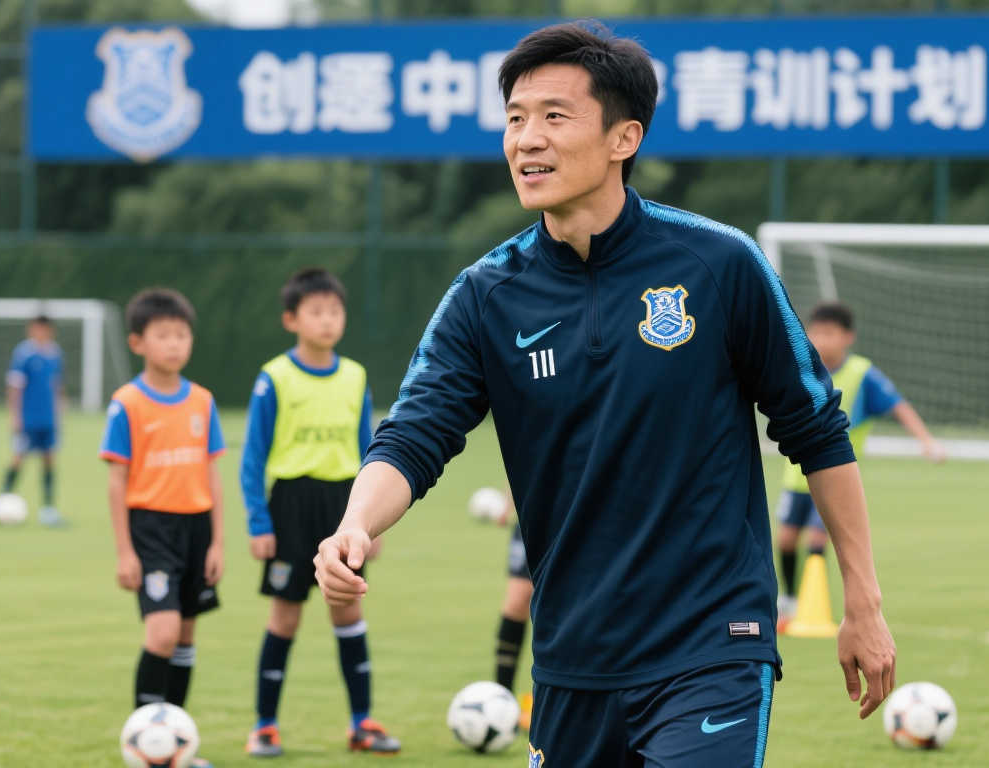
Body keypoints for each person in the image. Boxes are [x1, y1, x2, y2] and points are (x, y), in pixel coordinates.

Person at [314, 22, 896, 767]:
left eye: (555, 116)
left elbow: (816, 429)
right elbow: (414, 434)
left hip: (711, 644)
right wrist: (355, 525)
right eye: (515, 118)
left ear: (625, 137)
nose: (527, 139)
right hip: (571, 660)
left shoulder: (720, 265)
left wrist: (862, 602)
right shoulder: (485, 296)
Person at [240, 268, 399, 757]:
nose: (328, 320)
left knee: (348, 610)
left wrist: (370, 521)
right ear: (292, 319)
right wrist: (259, 522)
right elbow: (253, 458)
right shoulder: (274, 377)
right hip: (290, 504)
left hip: (342, 506)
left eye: (335, 311)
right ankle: (264, 726)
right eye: (316, 312)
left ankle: (362, 723)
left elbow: (370, 451)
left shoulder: (355, 377)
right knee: (285, 616)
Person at [99, 288, 224, 768]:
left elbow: (212, 474)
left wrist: (217, 542)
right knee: (163, 634)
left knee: (186, 637)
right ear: (137, 343)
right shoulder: (127, 403)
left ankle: (175, 748)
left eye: (182, 335)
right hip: (151, 528)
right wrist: (124, 552)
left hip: (196, 528)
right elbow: (116, 482)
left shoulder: (203, 401)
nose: (174, 344)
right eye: (163, 335)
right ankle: (143, 744)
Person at [776, 301, 944, 627]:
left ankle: (814, 608)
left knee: (817, 539)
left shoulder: (862, 374)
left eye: (829, 333)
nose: (821, 340)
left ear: (848, 337)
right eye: (815, 332)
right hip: (794, 477)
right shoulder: (801, 367)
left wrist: (925, 440)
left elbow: (898, 406)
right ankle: (790, 601)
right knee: (785, 539)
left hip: (833, 478)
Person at [1, 314, 65, 526]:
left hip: (48, 419)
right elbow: (15, 387)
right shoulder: (23, 354)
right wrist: (15, 416)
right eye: (37, 328)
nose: (41, 333)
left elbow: (56, 385)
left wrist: (59, 412)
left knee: (49, 460)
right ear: (31, 330)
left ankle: (48, 509)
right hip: (28, 419)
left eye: (44, 329)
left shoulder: (55, 353)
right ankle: (3, 499)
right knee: (18, 458)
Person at [492, 493, 534, 731]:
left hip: (582, 512)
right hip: (533, 512)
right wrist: (508, 502)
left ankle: (544, 700)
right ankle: (502, 703)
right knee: (517, 601)